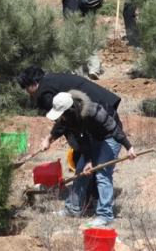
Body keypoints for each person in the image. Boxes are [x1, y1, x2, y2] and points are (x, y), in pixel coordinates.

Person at [39, 91, 137, 228]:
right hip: (94, 137)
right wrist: (89, 161)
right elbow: (82, 140)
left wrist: (129, 147)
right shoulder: (70, 119)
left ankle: (105, 216)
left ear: (70, 110)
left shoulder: (93, 110)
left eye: (62, 115)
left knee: (102, 174)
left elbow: (113, 128)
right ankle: (72, 209)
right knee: (80, 171)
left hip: (110, 137)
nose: (60, 119)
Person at [18, 66, 122, 114]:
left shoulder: (44, 92)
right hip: (105, 101)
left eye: (26, 87)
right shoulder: (50, 79)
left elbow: (63, 117)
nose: (27, 92)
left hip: (97, 109)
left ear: (34, 83)